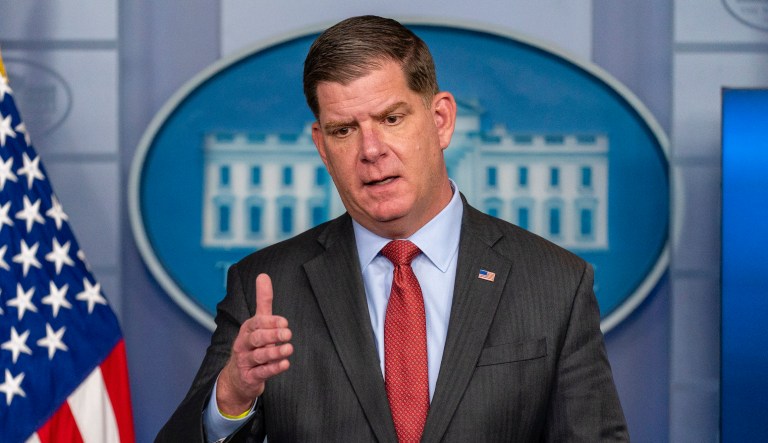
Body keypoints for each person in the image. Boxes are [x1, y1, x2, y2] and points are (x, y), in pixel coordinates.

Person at [156, 15, 629, 442]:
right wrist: (232, 396)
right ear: (322, 145)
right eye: (344, 130)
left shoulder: (555, 283)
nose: (371, 150)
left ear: (440, 120)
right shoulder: (265, 286)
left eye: (391, 118)